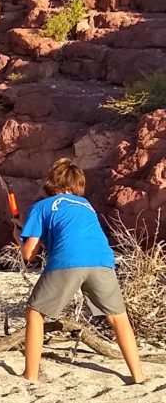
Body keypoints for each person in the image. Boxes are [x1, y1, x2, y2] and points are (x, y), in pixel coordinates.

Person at [15, 158, 145, 384]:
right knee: (118, 318)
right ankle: (139, 376)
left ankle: (31, 374)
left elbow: (29, 254)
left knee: (35, 312)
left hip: (68, 261)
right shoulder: (86, 206)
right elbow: (67, 237)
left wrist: (18, 234)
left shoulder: (42, 206)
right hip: (102, 260)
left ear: (52, 182)